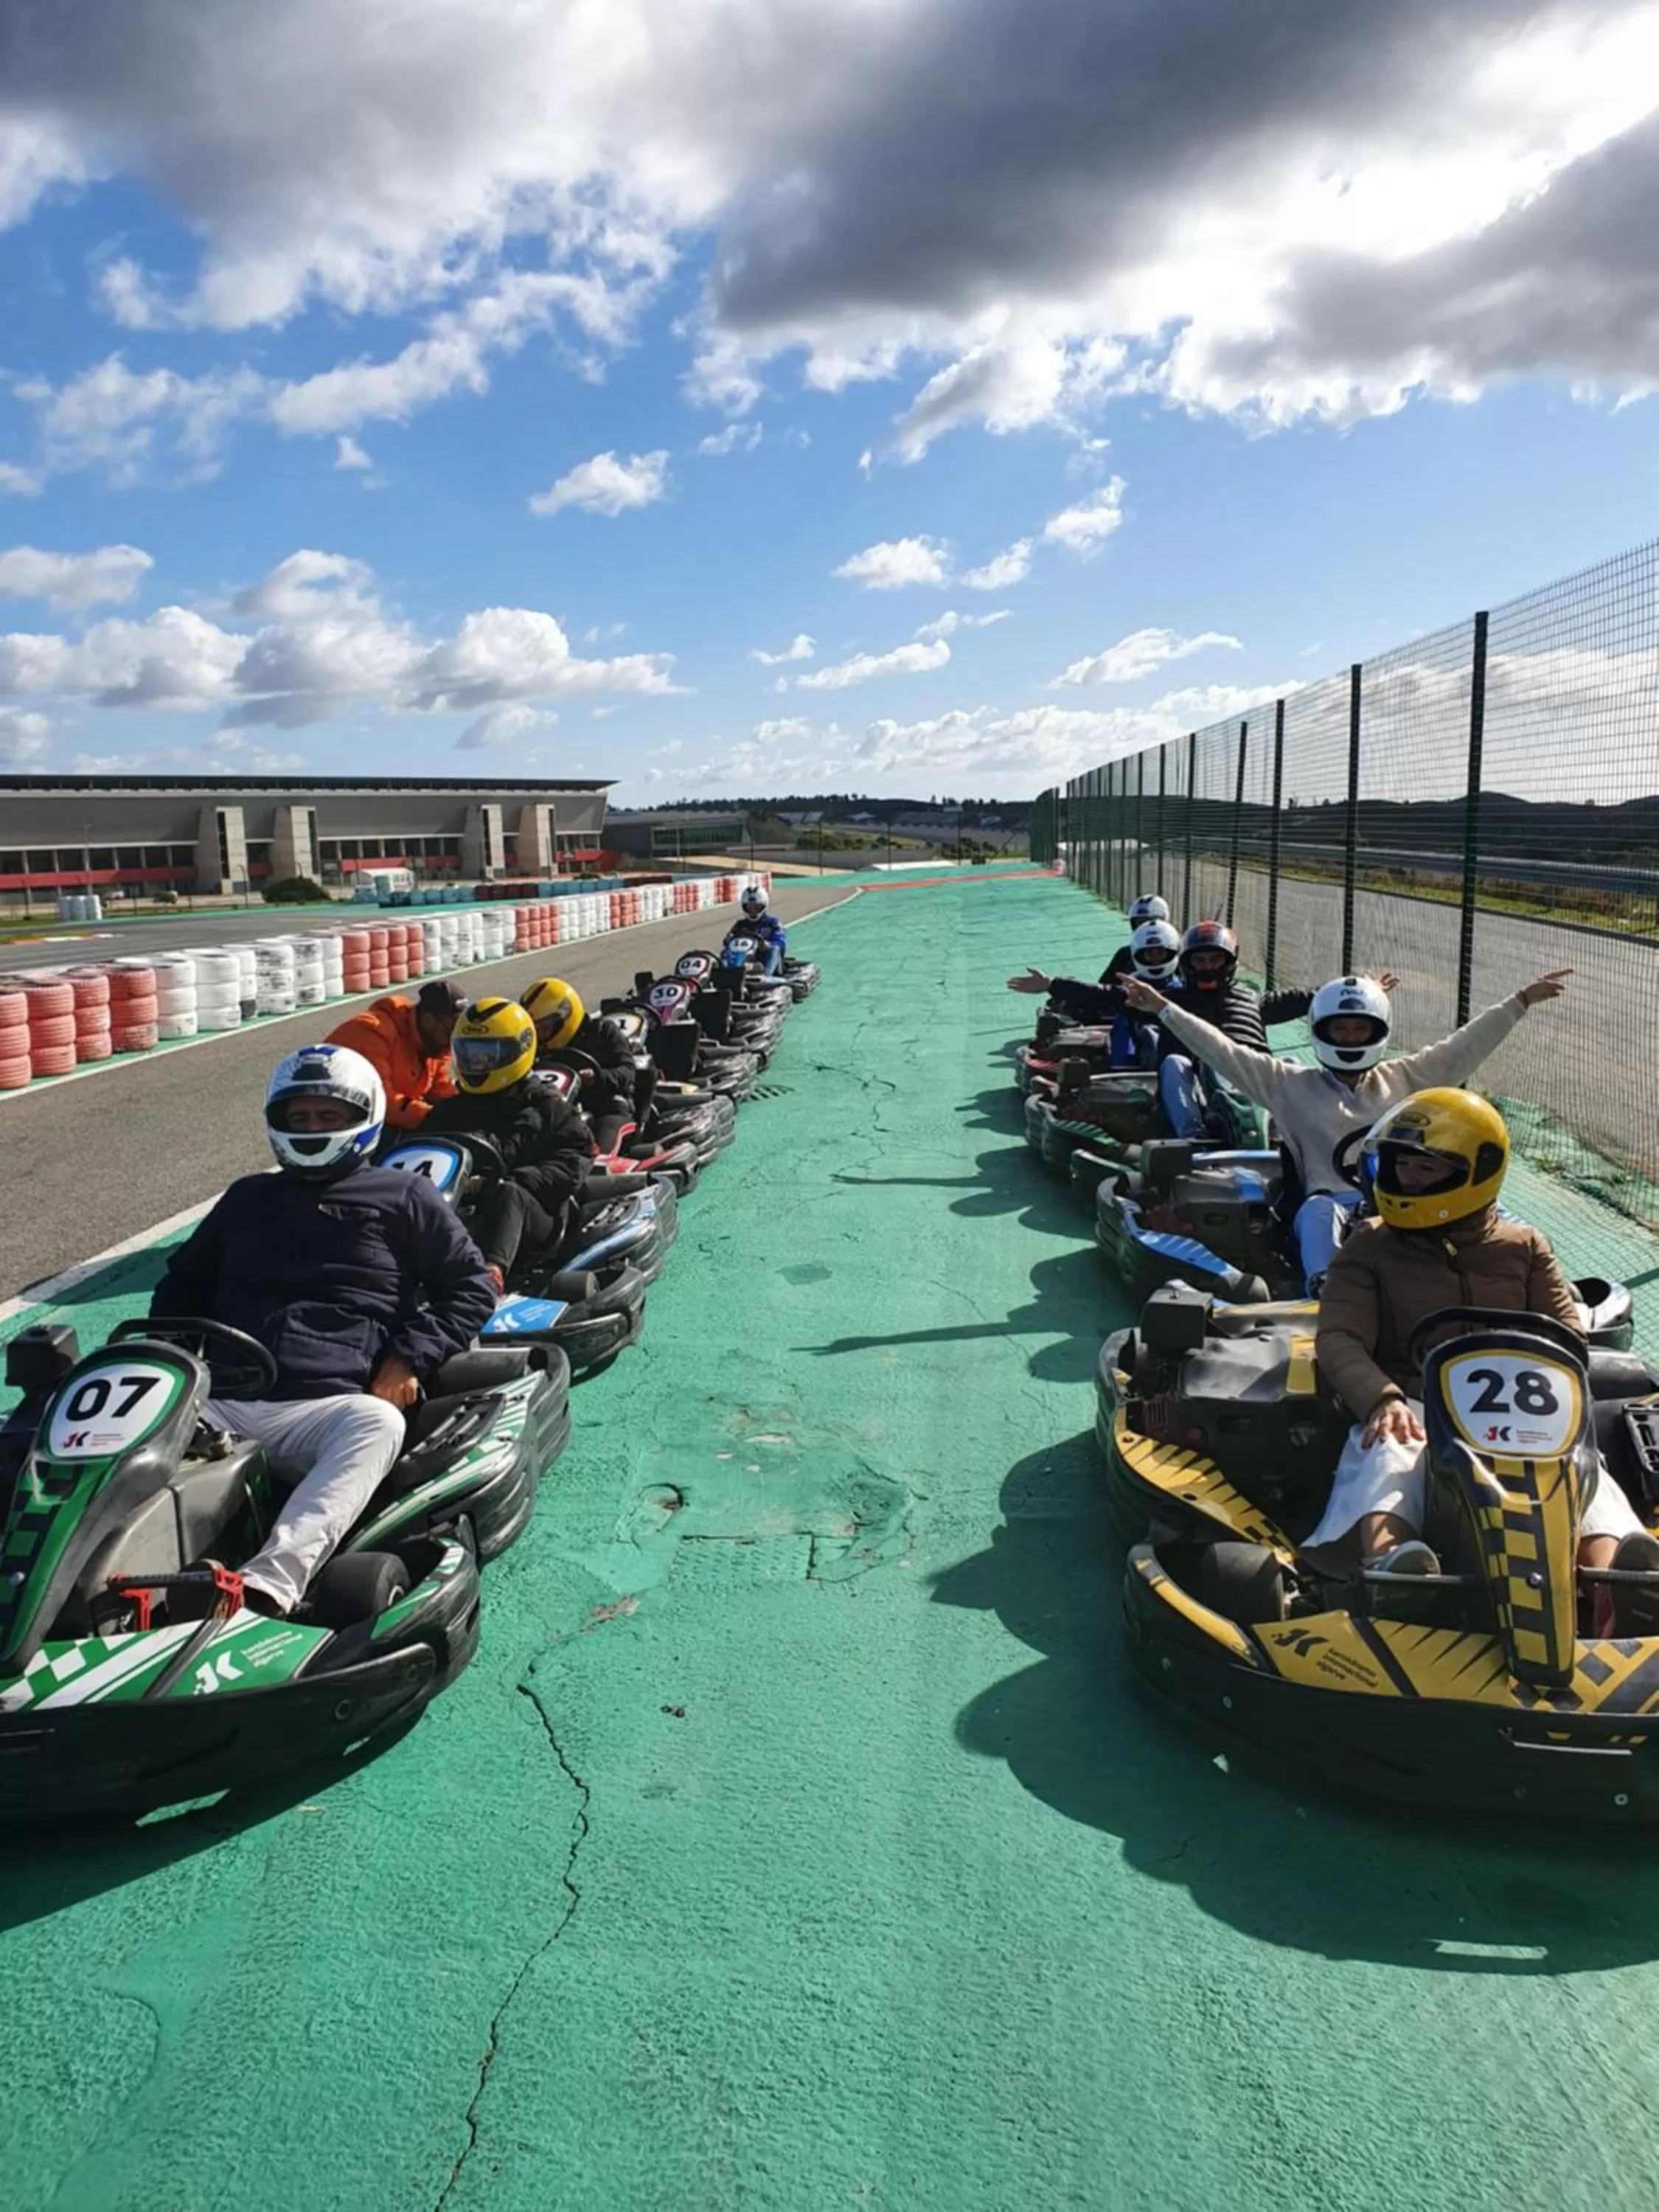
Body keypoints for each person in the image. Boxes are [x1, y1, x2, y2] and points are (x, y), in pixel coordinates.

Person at [148, 1043, 496, 1617]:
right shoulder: (247, 1199)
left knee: (378, 1423)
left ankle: (265, 1588)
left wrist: (408, 1358)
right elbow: (179, 1289)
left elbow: (470, 1286)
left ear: (362, 1118)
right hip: (221, 1399)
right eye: (300, 1117)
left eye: (328, 1116)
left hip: (330, 1404)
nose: (312, 1128)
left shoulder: (402, 1194)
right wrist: (166, 1356)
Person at [1311, 1088, 1657, 1615]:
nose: (1407, 1180)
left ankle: (1618, 1577)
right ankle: (1393, 1565)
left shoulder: (1526, 1247)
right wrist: (1381, 1399)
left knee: (1583, 1466)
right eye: (1402, 1165)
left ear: (1477, 1172)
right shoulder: (1371, 1245)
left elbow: (1568, 1336)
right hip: (1417, 1401)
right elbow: (1339, 1337)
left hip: (1526, 1415)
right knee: (1391, 1449)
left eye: (1426, 1169)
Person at [1121, 965, 1570, 1290]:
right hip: (1330, 1203)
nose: (1351, 1038)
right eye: (1342, 1029)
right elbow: (1223, 1051)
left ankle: (1548, 1287)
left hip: (1410, 1200)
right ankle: (1327, 1292)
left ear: (1378, 1031)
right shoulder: (1287, 1085)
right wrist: (1164, 1009)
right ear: (1322, 1032)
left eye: (1361, 1029)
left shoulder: (1407, 1078)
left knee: (1493, 1212)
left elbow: (1462, 1049)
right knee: (1319, 1214)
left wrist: (1518, 1004)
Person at [422, 998, 594, 1295]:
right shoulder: (448, 1111)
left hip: (537, 1218)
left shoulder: (549, 1108)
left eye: (487, 1055)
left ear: (519, 1050)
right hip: (464, 1211)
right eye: (469, 1054)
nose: (476, 1064)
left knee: (508, 1194)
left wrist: (504, 1181)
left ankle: (489, 1279)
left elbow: (573, 1164)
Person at [326, 978, 465, 1133]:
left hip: (377, 1119)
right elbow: (377, 1099)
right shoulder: (372, 1032)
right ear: (428, 1021)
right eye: (452, 1027)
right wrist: (432, 1117)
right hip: (337, 1119)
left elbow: (442, 1090)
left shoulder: (434, 1045)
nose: (454, 1036)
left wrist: (467, 1112)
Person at [521, 976, 642, 1147]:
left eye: (544, 1027)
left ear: (565, 1016)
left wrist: (597, 1077)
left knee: (602, 1145)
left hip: (608, 1107)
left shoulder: (603, 1031)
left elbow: (628, 1071)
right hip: (558, 1113)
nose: (539, 1034)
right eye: (534, 1028)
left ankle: (603, 1167)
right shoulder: (536, 1048)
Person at [1005, 891, 1175, 1001]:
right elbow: (1100, 991)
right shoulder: (1128, 993)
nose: (1154, 957)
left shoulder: (1182, 996)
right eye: (1148, 954)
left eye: (1160, 953)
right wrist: (1051, 984)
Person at [726, 885, 787, 975]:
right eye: (750, 908)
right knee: (725, 952)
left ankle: (767, 976)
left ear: (763, 906)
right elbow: (729, 941)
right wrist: (728, 939)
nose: (753, 911)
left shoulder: (773, 923)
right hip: (746, 961)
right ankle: (727, 974)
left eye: (756, 908)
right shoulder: (740, 925)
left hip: (764, 960)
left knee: (774, 949)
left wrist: (767, 945)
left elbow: (781, 942)